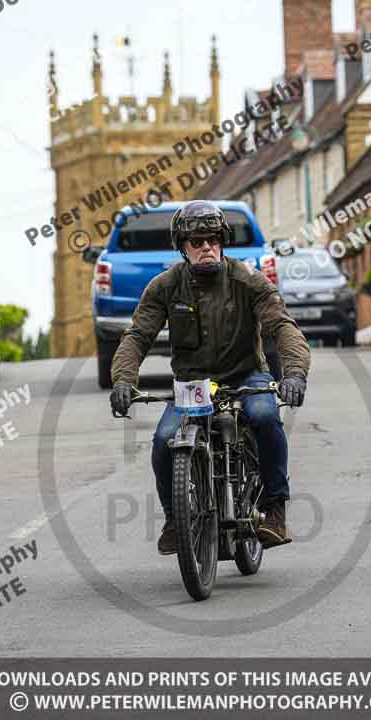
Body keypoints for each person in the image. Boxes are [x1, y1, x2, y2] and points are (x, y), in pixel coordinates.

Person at [110, 200, 311, 555]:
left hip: (248, 376)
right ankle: (176, 519)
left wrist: (294, 374)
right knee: (163, 440)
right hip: (192, 385)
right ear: (183, 248)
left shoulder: (248, 280)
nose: (206, 247)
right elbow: (137, 336)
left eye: (213, 239)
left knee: (265, 417)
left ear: (223, 241)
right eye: (197, 241)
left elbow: (282, 326)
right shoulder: (164, 286)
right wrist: (123, 380)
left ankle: (275, 509)